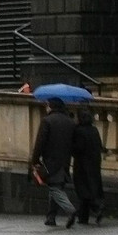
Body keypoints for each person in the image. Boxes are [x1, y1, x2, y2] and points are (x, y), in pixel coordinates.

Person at [29, 97, 78, 228]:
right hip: (65, 160)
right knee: (57, 186)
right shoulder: (70, 122)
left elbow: (40, 142)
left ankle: (71, 210)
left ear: (51, 106)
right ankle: (51, 217)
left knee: (54, 188)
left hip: (51, 161)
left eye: (47, 105)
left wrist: (35, 160)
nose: (46, 107)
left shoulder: (47, 121)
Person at [72, 106, 105, 225]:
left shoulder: (79, 130)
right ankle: (84, 216)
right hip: (94, 163)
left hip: (82, 164)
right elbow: (100, 146)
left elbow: (78, 148)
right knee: (91, 187)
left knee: (82, 190)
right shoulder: (94, 130)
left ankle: (96, 207)